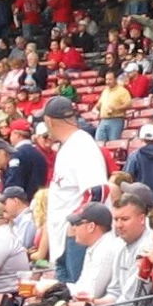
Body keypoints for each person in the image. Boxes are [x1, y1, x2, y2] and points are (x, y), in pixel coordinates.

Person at [42, 96, 109, 264]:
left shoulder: (81, 144)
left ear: (49, 121)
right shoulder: (69, 144)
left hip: (76, 240)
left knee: (77, 289)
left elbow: (98, 190)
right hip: (63, 239)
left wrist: (77, 224)